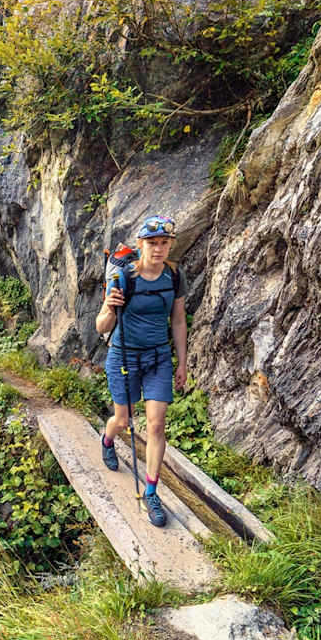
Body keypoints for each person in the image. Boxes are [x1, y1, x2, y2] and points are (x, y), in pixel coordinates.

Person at [95, 214, 188, 527]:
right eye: (152, 243)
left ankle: (151, 492)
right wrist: (109, 306)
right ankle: (107, 440)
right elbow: (101, 327)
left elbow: (178, 320)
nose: (158, 248)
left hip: (158, 357)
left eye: (164, 243)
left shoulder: (174, 276)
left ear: (170, 245)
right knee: (122, 420)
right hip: (124, 356)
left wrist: (183, 362)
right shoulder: (123, 277)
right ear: (141, 245)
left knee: (156, 425)